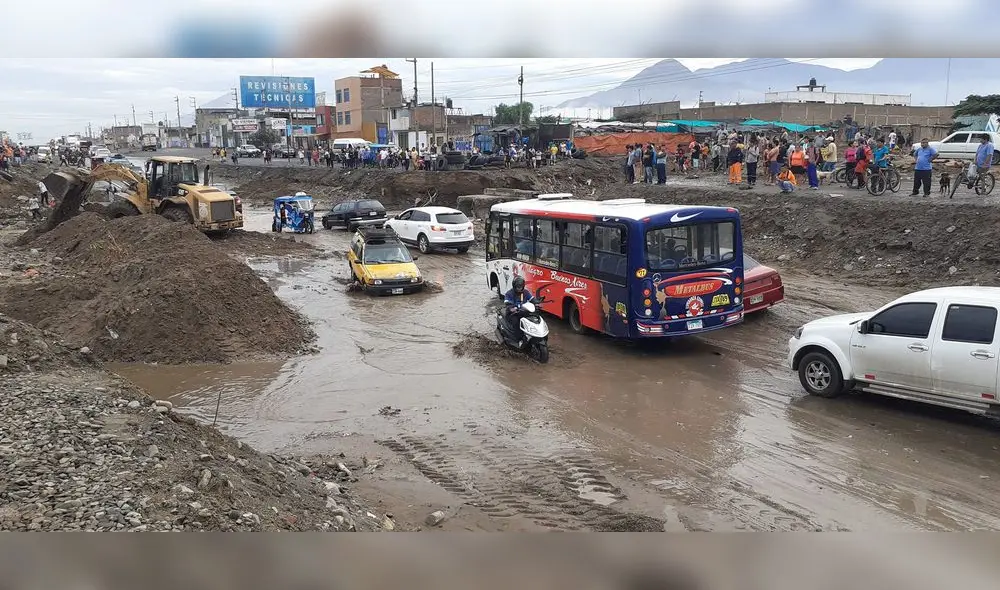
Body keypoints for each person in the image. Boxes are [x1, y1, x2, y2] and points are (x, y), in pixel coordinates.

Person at [503, 276, 537, 344]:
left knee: (533, 319)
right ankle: (518, 339)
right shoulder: (509, 293)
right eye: (518, 287)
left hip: (523, 311)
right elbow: (507, 302)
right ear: (514, 286)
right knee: (516, 322)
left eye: (521, 287)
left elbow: (531, 299)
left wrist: (537, 301)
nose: (519, 288)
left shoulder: (525, 292)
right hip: (512, 313)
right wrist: (512, 308)